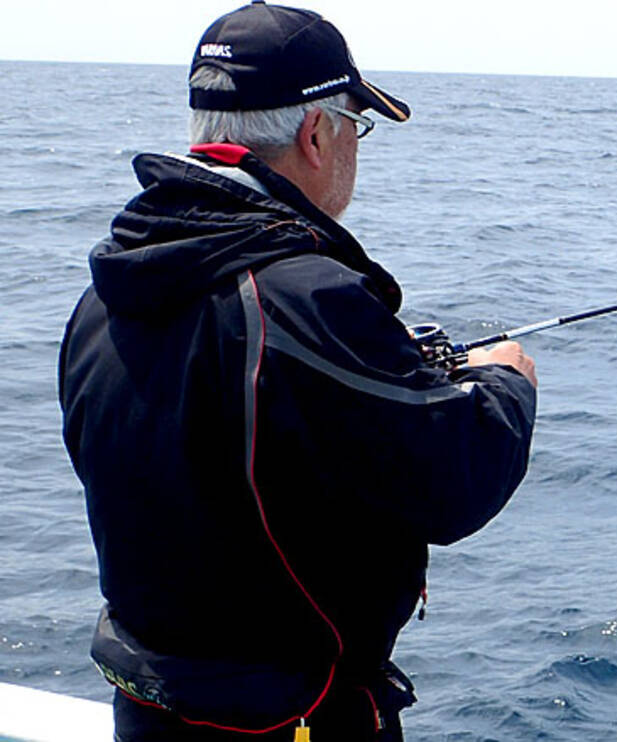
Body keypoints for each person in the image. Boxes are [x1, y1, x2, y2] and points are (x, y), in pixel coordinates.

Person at [57, 2, 537, 740]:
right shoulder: (302, 297)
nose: (354, 148)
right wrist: (505, 382)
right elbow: (456, 482)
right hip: (297, 723)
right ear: (316, 133)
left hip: (153, 714)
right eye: (357, 128)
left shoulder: (106, 291)